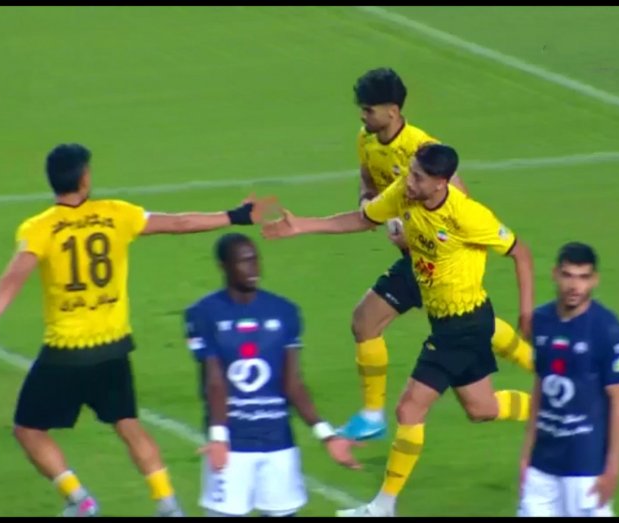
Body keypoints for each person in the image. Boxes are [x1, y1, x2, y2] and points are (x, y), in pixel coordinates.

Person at [0, 143, 273, 517]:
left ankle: (80, 500)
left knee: (27, 429)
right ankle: (168, 505)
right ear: (84, 178)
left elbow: (14, 276)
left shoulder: (39, 227)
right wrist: (235, 216)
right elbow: (179, 223)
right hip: (112, 348)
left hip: (65, 353)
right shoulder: (116, 214)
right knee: (129, 425)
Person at [263, 142, 534, 517]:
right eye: (410, 172)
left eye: (418, 177)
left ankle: (383, 506)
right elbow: (363, 219)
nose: (409, 181)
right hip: (450, 319)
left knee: (409, 410)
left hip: (463, 326)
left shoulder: (469, 217)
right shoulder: (405, 193)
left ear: (441, 183)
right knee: (481, 408)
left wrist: (526, 312)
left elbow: (520, 252)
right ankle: (551, 407)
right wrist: (303, 226)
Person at [343, 67, 534, 442]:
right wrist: (369, 202)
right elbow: (368, 179)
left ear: (392, 111)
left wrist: (415, 229)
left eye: (368, 110)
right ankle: (371, 416)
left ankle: (547, 375)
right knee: (370, 323)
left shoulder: (422, 149)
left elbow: (458, 205)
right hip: (415, 258)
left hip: (435, 259)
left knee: (464, 336)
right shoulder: (366, 139)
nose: (362, 116)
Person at [184, 233, 362, 517]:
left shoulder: (284, 311)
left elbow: (293, 384)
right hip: (232, 446)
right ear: (224, 266)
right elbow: (214, 382)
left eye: (255, 259)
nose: (253, 268)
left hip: (279, 444)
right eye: (244, 261)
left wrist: (327, 435)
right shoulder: (203, 314)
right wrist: (218, 437)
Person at [518, 242, 619, 517]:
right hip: (542, 466)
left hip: (585, 469)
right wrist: (526, 455)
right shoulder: (541, 321)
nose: (574, 286)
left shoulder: (607, 330)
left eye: (582, 277)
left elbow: (618, 403)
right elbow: (540, 388)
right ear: (555, 274)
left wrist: (613, 468)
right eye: (568, 275)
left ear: (594, 280)